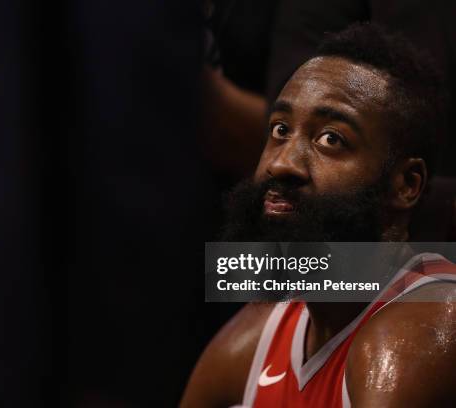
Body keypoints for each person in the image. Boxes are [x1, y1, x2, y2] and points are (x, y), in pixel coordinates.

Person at [181, 23, 456, 407]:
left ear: (406, 184)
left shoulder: (425, 324)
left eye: (330, 139)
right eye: (279, 129)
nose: (282, 163)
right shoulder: (261, 332)